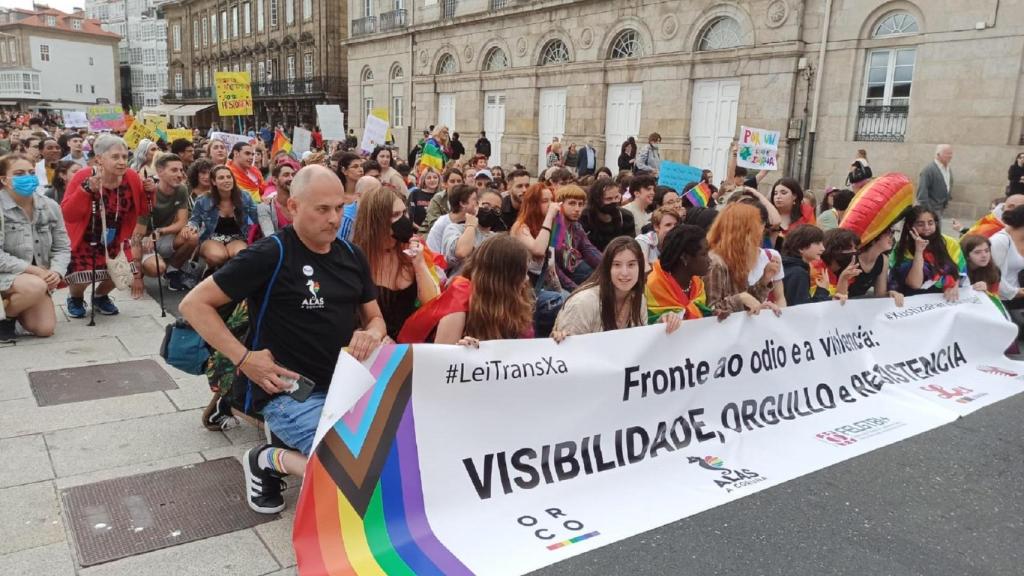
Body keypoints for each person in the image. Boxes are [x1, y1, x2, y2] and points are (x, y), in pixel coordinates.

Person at [180, 165, 386, 514]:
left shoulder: (352, 256)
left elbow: (376, 317)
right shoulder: (270, 253)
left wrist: (372, 334)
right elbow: (193, 304)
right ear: (293, 207)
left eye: (339, 207)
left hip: (346, 386)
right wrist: (244, 358)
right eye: (322, 209)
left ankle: (298, 452)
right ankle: (266, 459)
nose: (334, 218)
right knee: (353, 478)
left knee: (393, 461)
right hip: (288, 392)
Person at [61, 135, 149, 318]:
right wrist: (85, 190)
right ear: (99, 158)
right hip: (87, 235)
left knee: (126, 271)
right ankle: (75, 298)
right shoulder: (84, 175)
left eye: (125, 157)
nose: (122, 162)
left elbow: (143, 208)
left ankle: (100, 296)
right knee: (82, 274)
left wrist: (150, 191)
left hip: (116, 234)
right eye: (115, 157)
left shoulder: (131, 177)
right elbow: (68, 213)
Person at [398, 234, 533, 344]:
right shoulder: (460, 300)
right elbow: (440, 361)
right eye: (523, 273)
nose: (527, 279)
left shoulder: (519, 297)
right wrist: (461, 352)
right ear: (503, 278)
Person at [553, 236, 683, 341]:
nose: (625, 272)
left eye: (631, 265)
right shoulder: (583, 303)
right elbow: (566, 358)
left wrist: (662, 325)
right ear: (607, 268)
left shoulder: (639, 299)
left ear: (640, 268)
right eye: (617, 265)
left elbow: (639, 346)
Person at [353, 186, 441, 339]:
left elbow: (433, 303)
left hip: (411, 341)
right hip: (372, 343)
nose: (404, 219)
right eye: (395, 214)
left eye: (404, 212)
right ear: (376, 221)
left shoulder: (414, 249)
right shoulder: (356, 257)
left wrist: (419, 264)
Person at [0, 153, 71, 341]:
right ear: (4, 179)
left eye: (31, 172)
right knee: (36, 285)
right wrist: (35, 271)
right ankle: (4, 319)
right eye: (19, 173)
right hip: (8, 274)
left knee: (44, 328)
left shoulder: (50, 206)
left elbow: (62, 246)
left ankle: (12, 311)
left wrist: (56, 272)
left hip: (36, 279)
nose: (28, 177)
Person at [705, 203, 786, 316]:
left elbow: (746, 303)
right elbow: (709, 311)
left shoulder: (738, 257)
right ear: (742, 231)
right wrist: (740, 298)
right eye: (756, 226)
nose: (760, 232)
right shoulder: (715, 262)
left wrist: (764, 281)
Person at [138, 154, 197, 292]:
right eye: (174, 170)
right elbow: (137, 230)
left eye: (181, 170)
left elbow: (182, 222)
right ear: (160, 172)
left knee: (192, 236)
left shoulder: (181, 189)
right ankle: (136, 270)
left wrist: (160, 231)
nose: (180, 174)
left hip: (162, 235)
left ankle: (172, 272)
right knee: (156, 269)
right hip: (144, 239)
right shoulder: (148, 192)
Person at [186, 165, 258, 270]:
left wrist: (267, 203)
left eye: (229, 177)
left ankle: (220, 274)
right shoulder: (203, 199)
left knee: (241, 255)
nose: (226, 180)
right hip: (211, 237)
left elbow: (256, 216)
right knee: (218, 256)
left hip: (237, 237)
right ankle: (210, 271)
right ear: (214, 182)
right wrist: (192, 226)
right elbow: (194, 220)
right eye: (221, 178)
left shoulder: (245, 196)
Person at [889, 206, 964, 301]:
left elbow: (960, 272)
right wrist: (919, 251)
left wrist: (953, 286)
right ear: (910, 226)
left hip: (943, 299)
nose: (926, 228)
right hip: (911, 301)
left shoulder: (950, 243)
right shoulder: (903, 248)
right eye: (920, 224)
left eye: (930, 223)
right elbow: (914, 284)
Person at [645, 224, 713, 323]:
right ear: (685, 257)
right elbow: (644, 326)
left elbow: (702, 313)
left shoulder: (697, 285)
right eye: (704, 254)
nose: (709, 260)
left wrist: (715, 314)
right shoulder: (651, 286)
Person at [822, 227, 903, 305]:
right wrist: (843, 278)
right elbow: (837, 299)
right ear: (875, 236)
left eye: (892, 233)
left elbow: (880, 295)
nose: (892, 237)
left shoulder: (884, 260)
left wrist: (891, 294)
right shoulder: (850, 257)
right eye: (888, 233)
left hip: (859, 308)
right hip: (841, 305)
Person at [553, 185, 602, 290]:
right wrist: (575, 289)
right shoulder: (555, 227)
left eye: (580, 204)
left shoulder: (576, 226)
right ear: (560, 204)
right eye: (572, 203)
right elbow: (553, 267)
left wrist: (609, 265)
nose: (577, 209)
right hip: (556, 281)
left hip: (575, 270)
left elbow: (589, 249)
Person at [442, 185, 501, 271]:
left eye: (496, 209)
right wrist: (470, 226)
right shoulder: (455, 229)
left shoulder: (497, 239)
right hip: (460, 282)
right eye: (486, 206)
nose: (490, 210)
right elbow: (462, 252)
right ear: (476, 205)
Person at [780, 224, 834, 307]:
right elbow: (803, 310)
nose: (823, 248)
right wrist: (822, 290)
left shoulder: (787, 266)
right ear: (801, 248)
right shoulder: (798, 273)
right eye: (817, 243)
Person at [580, 178, 635, 251]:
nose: (614, 202)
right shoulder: (584, 217)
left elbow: (630, 246)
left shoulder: (626, 217)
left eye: (616, 197)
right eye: (608, 199)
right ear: (597, 199)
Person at [253, 161, 297, 241]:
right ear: (275, 180)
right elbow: (270, 238)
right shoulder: (265, 207)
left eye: (293, 175)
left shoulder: (302, 203)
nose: (291, 178)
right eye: (286, 175)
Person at [988, 204, 1024, 300]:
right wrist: (1015, 292)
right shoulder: (1000, 241)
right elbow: (992, 274)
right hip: (1001, 299)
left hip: (1017, 298)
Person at [770, 177, 815, 247]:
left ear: (794, 196)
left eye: (783, 193)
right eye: (775, 193)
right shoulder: (768, 215)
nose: (778, 197)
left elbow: (812, 240)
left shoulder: (806, 213)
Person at [636, 207, 681, 272]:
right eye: (668, 225)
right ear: (656, 227)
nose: (674, 228)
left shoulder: (679, 241)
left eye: (676, 225)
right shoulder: (643, 241)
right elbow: (645, 269)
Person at [423, 167, 463, 237]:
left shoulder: (466, 199)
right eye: (452, 181)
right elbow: (434, 224)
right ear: (445, 184)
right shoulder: (438, 199)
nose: (456, 184)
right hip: (431, 235)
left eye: (459, 181)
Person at [916, 144, 954, 218]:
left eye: (951, 153)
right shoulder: (928, 170)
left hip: (941, 208)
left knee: (937, 229)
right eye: (948, 153)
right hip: (932, 210)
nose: (950, 156)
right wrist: (929, 212)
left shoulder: (948, 169)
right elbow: (921, 195)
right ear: (938, 154)